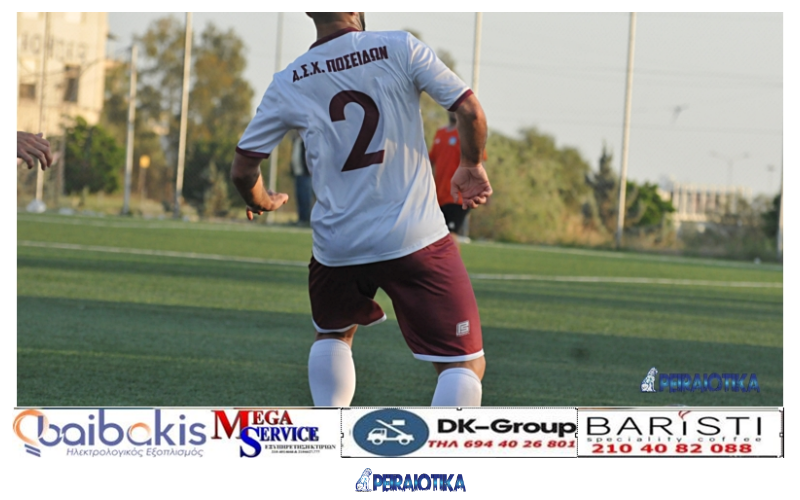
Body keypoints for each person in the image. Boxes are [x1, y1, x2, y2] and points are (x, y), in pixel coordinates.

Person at [230, 12, 492, 407]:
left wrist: (260, 200)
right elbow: (470, 111)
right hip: (414, 236)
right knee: (463, 364)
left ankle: (331, 432)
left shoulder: (289, 80)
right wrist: (470, 164)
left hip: (338, 245)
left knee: (334, 334)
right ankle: (440, 445)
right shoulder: (400, 46)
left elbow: (243, 169)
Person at [429, 112, 487, 249]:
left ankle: (455, 264)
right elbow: (431, 161)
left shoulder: (467, 133)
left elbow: (478, 162)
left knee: (450, 234)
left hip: (458, 196)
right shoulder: (440, 133)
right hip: (439, 196)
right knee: (437, 236)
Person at [290, 132, 313, 225]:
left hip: (305, 173)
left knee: (305, 197)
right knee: (299, 197)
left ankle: (306, 219)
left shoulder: (306, 142)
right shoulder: (296, 141)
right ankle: (301, 218)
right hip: (297, 173)